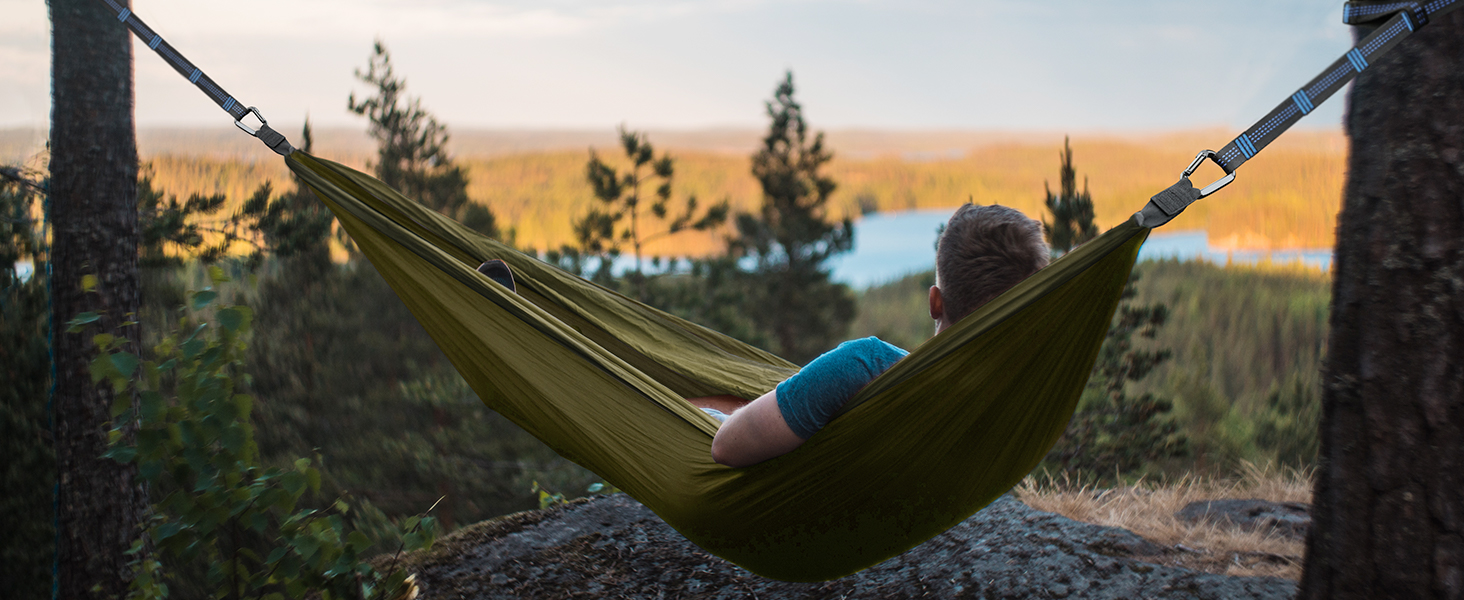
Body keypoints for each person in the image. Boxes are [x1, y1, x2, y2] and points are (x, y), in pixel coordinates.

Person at [689, 203, 1051, 467]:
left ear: (934, 302)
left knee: (698, 407)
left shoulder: (866, 365)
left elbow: (726, 448)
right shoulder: (1025, 396)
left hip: (788, 507)